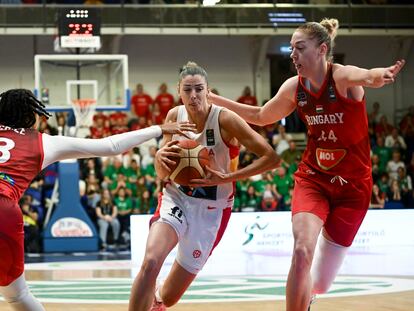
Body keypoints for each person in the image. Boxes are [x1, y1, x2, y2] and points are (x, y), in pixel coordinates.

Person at [208, 18, 405, 311]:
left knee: (321, 283)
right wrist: (216, 101)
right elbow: (262, 115)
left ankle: (310, 294)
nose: (293, 55)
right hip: (313, 179)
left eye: (299, 48)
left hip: (353, 188)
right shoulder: (294, 87)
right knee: (301, 249)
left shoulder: (341, 78)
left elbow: (365, 76)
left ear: (322, 49)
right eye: (291, 50)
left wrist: (380, 74)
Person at [0, 88, 196, 311]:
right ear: (29, 115)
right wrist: (157, 129)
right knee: (17, 296)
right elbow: (110, 146)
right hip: (4, 210)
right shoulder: (42, 141)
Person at [128, 62, 279, 311]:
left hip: (213, 209)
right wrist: (157, 159)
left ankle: (157, 302)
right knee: (151, 262)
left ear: (208, 91)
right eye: (187, 89)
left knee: (169, 297)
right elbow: (163, 174)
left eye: (199, 89)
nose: (193, 95)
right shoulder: (174, 116)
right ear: (179, 91)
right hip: (176, 197)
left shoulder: (225, 119)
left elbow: (271, 158)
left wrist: (227, 178)